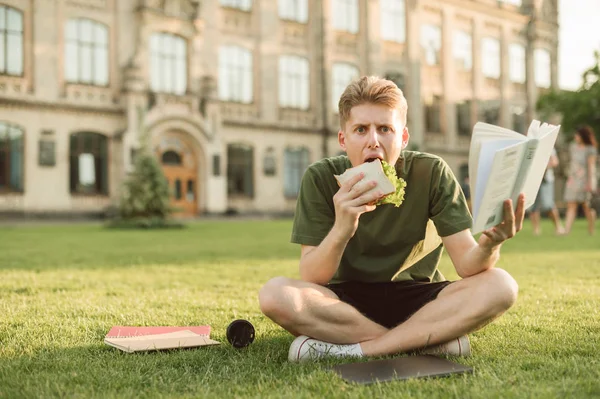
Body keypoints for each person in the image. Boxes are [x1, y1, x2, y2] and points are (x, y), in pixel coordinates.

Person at [258, 76, 524, 362]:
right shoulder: (320, 177)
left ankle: (360, 350)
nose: (373, 141)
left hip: (420, 299)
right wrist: (342, 228)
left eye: (385, 129)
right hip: (345, 301)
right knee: (274, 294)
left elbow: (467, 265)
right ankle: (426, 340)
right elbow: (312, 276)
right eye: (361, 130)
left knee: (501, 285)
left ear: (403, 138)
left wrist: (489, 245)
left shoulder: (431, 172)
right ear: (343, 139)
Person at [563, 125, 598, 235]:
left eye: (577, 135)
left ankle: (591, 229)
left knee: (587, 206)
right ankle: (566, 230)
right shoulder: (573, 147)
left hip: (585, 181)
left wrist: (590, 183)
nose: (575, 136)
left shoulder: (590, 150)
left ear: (583, 136)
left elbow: (591, 167)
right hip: (573, 180)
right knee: (571, 205)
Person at [528, 148, 565, 235]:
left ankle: (558, 227)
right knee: (533, 205)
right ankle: (536, 230)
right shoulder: (532, 145)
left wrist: (543, 166)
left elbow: (555, 161)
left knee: (548, 204)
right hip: (533, 179)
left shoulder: (549, 146)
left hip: (546, 180)